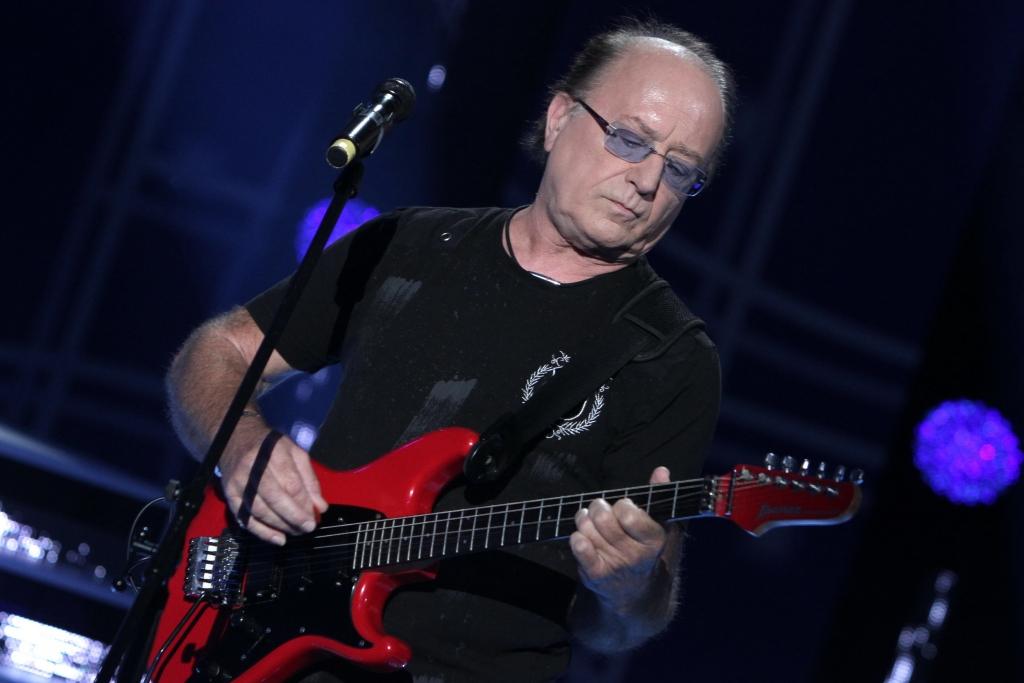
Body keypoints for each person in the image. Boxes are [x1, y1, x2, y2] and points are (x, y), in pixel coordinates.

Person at [167, 16, 733, 683]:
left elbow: (621, 625)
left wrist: (629, 588)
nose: (648, 181)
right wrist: (242, 450)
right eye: (630, 139)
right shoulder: (411, 245)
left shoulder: (672, 357)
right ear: (559, 118)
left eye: (680, 170)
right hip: (269, 644)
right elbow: (216, 352)